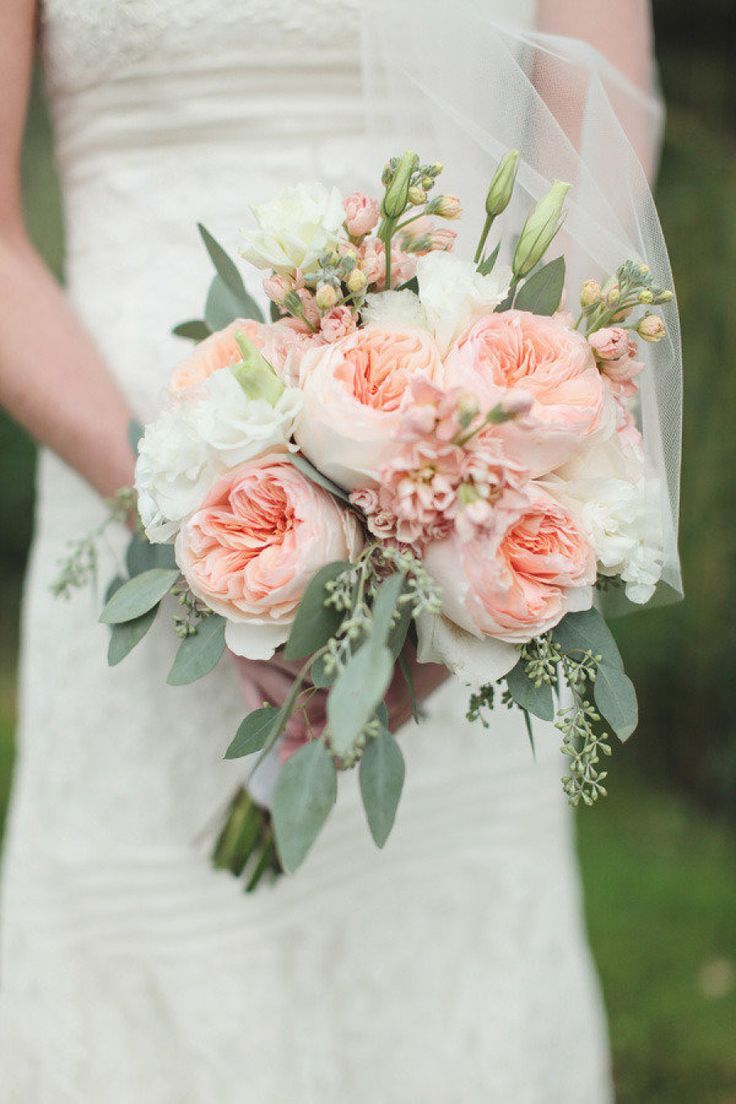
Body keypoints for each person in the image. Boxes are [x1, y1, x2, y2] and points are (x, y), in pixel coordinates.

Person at [0, 1, 659, 1099]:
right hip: (122, 476)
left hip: (471, 503)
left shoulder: (472, 540)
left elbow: (597, 195)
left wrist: (468, 550)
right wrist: (188, 525)